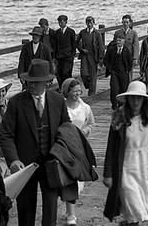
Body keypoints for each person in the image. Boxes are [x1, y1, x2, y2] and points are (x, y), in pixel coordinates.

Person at [0, 59, 71, 226]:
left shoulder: (58, 101)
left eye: (35, 82)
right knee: (25, 209)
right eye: (28, 81)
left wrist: (61, 154)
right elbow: (5, 135)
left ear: (47, 82)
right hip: (24, 165)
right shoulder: (16, 102)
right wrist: (13, 160)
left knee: (51, 207)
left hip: (51, 163)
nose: (30, 85)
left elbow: (67, 130)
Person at [103, 81, 148, 225]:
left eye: (139, 98)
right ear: (128, 99)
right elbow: (111, 148)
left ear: (144, 100)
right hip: (125, 168)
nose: (136, 101)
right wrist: (108, 174)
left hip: (144, 169)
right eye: (133, 98)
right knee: (134, 207)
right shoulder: (119, 119)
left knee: (141, 209)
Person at [60, 78, 95, 225]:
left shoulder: (85, 107)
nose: (77, 94)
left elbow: (91, 123)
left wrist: (85, 131)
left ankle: (68, 208)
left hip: (81, 146)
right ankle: (71, 214)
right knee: (69, 177)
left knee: (79, 181)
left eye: (79, 91)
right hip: (65, 146)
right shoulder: (61, 106)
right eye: (74, 91)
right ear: (67, 91)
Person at [104, 30, 134, 110]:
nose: (118, 42)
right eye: (117, 40)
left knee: (123, 88)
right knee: (114, 88)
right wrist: (109, 68)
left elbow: (130, 61)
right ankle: (114, 105)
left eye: (120, 41)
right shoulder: (111, 49)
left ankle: (122, 105)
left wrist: (127, 69)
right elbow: (106, 59)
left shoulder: (126, 50)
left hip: (123, 72)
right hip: (114, 72)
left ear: (124, 41)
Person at [76, 16, 104, 96]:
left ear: (93, 23)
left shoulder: (97, 33)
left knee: (93, 76)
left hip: (93, 56)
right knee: (83, 74)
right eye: (88, 22)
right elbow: (76, 43)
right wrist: (81, 49)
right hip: (85, 56)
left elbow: (101, 47)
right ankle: (87, 85)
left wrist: (100, 60)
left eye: (91, 22)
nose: (89, 24)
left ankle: (91, 94)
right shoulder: (82, 32)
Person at [54, 15, 77, 88]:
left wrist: (72, 55)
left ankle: (68, 88)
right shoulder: (57, 32)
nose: (60, 23)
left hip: (68, 57)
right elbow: (55, 46)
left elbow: (74, 44)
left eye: (62, 22)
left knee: (66, 73)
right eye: (59, 22)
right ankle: (62, 89)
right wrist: (55, 57)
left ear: (66, 22)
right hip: (59, 57)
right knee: (59, 75)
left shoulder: (71, 32)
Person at [115, 14, 140, 80]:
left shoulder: (133, 33)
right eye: (124, 22)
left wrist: (135, 58)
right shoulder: (117, 33)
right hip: (120, 56)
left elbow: (136, 45)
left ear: (130, 23)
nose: (125, 24)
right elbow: (114, 45)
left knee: (129, 74)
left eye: (127, 22)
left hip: (129, 57)